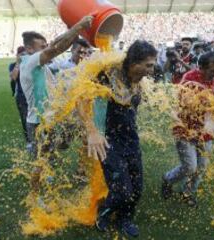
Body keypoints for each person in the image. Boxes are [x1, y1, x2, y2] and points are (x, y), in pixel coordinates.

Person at [78, 40, 157, 237]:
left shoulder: (139, 81)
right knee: (123, 191)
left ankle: (125, 218)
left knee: (136, 190)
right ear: (133, 63)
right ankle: (103, 213)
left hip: (131, 141)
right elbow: (81, 98)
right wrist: (92, 132)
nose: (152, 69)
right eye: (148, 64)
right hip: (108, 142)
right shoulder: (108, 75)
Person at [162, 52, 214, 207]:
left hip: (206, 132)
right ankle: (168, 179)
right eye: (213, 70)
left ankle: (188, 192)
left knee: (201, 168)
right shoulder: (189, 78)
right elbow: (187, 101)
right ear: (200, 68)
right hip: (185, 129)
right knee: (190, 167)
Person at [19, 16, 93, 189]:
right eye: (41, 47)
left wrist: (74, 33)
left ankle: (50, 157)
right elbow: (55, 48)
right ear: (29, 49)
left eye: (45, 46)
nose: (46, 49)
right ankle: (35, 196)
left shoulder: (40, 66)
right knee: (42, 163)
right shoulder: (30, 62)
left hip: (53, 119)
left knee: (72, 134)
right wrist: (79, 25)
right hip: (39, 123)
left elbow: (57, 46)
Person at [9, 46, 29, 144]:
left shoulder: (30, 64)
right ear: (17, 55)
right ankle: (29, 141)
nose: (23, 57)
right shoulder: (13, 65)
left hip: (32, 95)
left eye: (25, 54)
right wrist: (18, 63)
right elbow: (13, 78)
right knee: (25, 118)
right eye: (21, 54)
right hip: (21, 96)